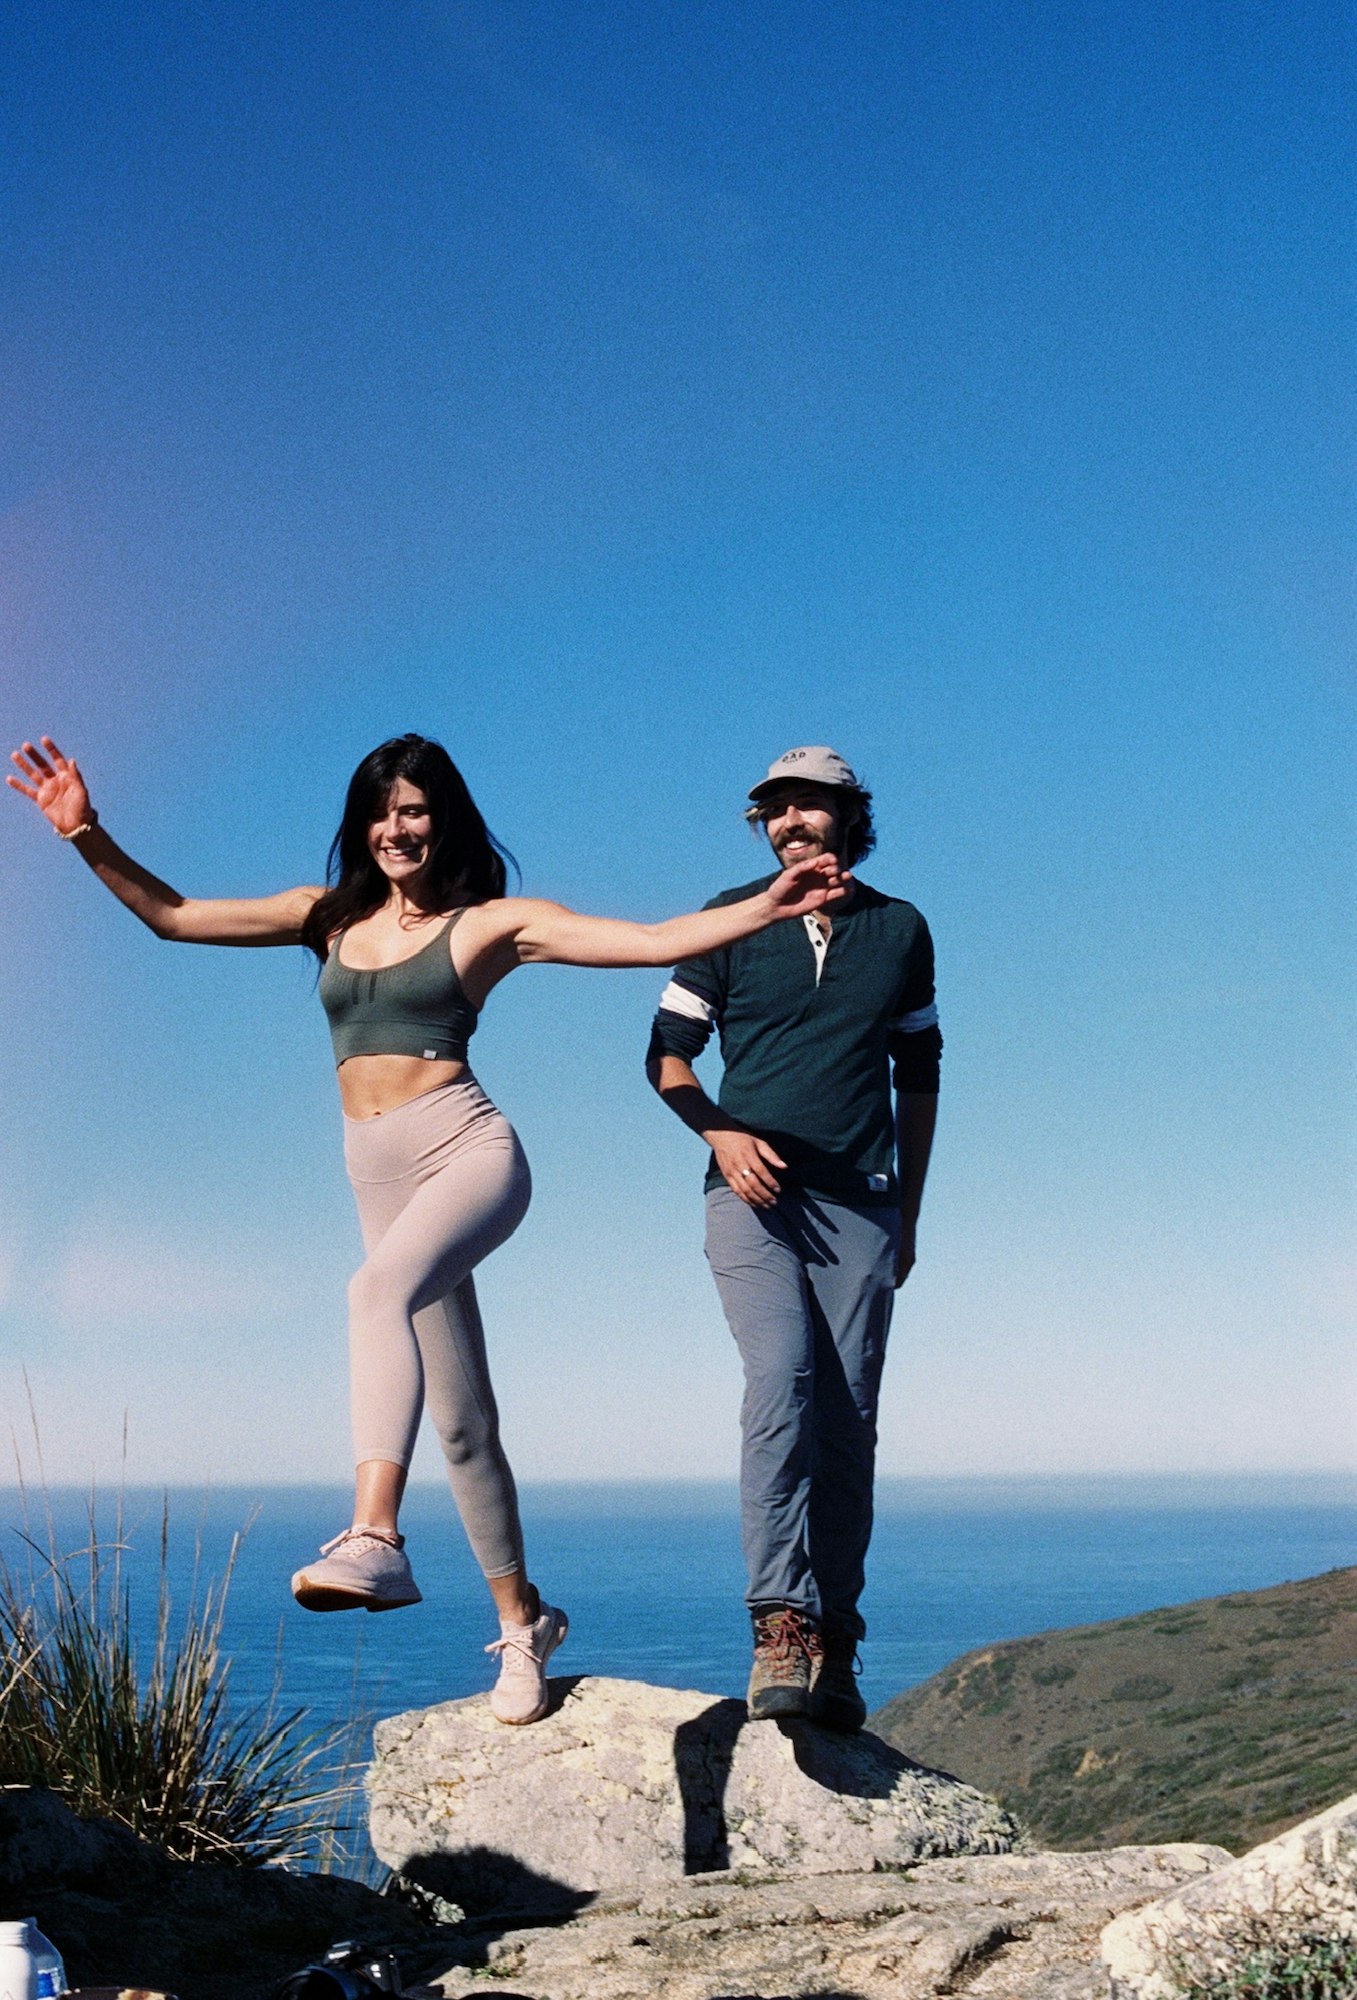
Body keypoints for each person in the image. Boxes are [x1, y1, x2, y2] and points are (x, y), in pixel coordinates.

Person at [8, 731, 847, 1727]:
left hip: (467, 1154)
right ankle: (523, 1621)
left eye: (414, 809)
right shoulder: (323, 917)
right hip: (378, 1177)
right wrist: (86, 833)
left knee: (374, 1291)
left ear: (442, 820)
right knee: (461, 1420)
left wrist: (765, 903)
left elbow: (651, 938)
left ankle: (374, 1532)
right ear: (361, 825)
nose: (396, 826)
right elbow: (174, 916)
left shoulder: (488, 924)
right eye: (381, 809)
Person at [646, 747, 941, 1731]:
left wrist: (909, 1208)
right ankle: (779, 1622)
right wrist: (721, 1130)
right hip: (750, 1197)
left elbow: (921, 1072)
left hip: (861, 1202)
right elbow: (666, 1055)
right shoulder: (729, 916)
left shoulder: (900, 929)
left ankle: (836, 1641)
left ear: (849, 818)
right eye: (776, 809)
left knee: (848, 1420)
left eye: (810, 805)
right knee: (783, 1382)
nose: (790, 821)